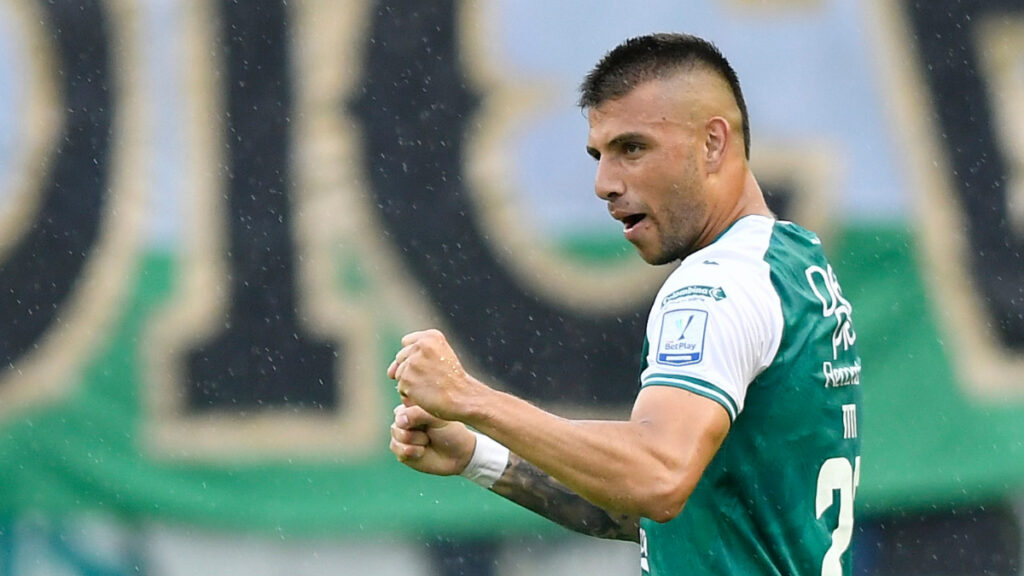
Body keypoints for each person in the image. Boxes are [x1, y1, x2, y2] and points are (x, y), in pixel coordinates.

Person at [388, 32, 862, 575]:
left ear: (713, 143)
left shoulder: (714, 286)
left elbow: (656, 478)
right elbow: (662, 514)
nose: (604, 183)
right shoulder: (794, 264)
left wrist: (470, 398)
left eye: (632, 148)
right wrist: (479, 454)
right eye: (599, 155)